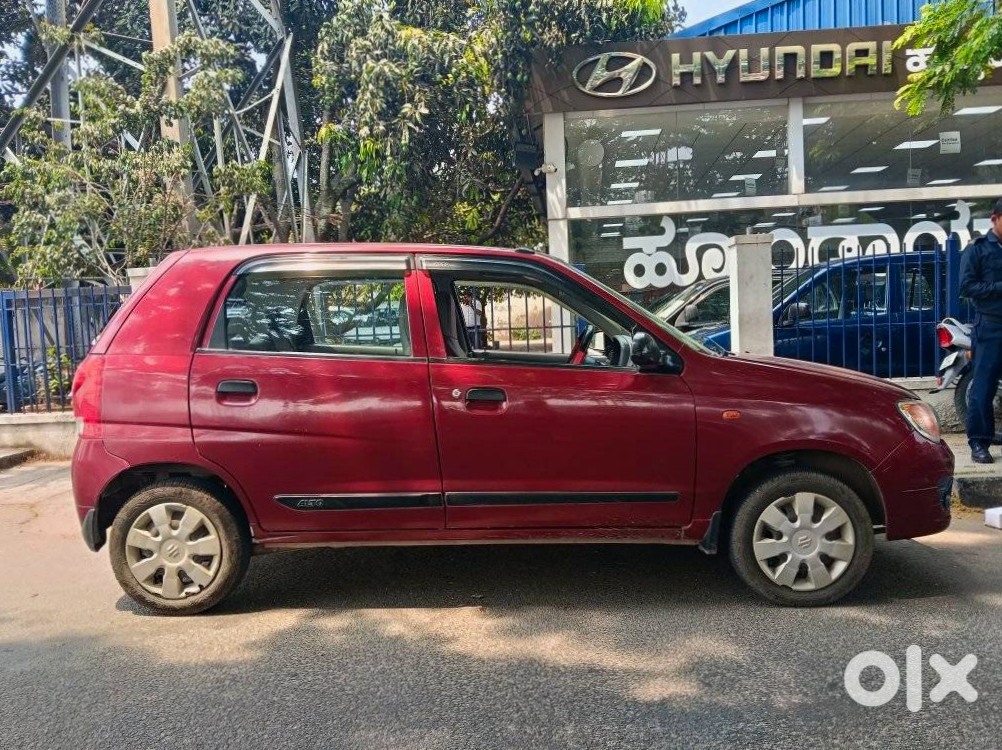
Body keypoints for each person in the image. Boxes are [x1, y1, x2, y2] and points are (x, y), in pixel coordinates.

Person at [959, 197, 1002, 464]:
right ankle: (979, 442)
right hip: (991, 326)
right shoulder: (977, 249)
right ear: (994, 219)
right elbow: (966, 287)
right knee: (983, 388)